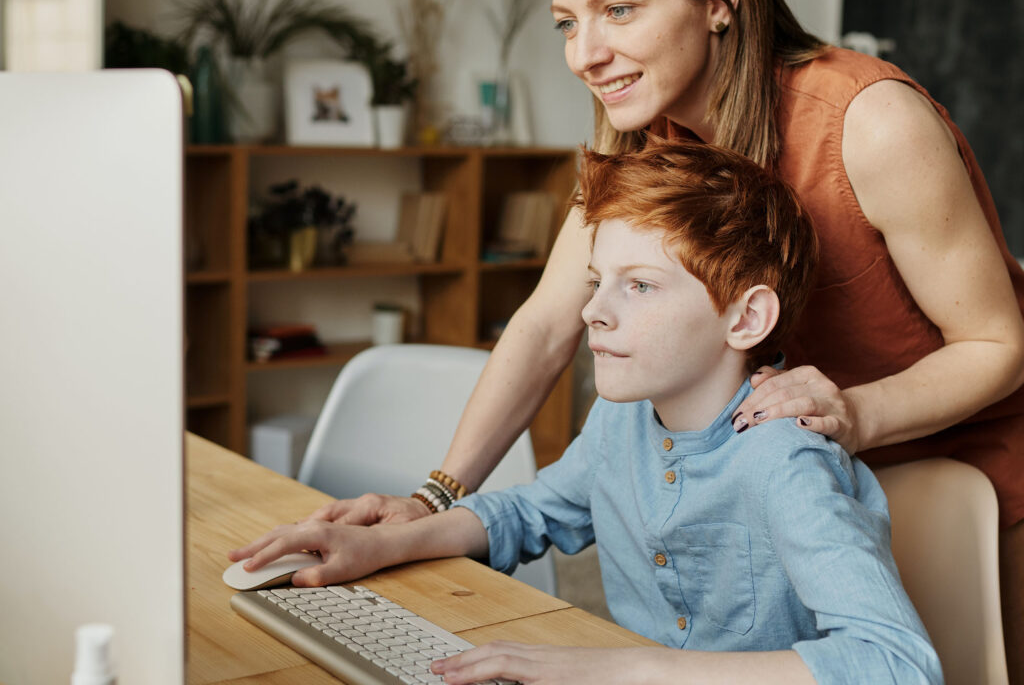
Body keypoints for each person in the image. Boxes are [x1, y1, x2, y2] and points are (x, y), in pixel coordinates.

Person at [306, 0, 1024, 678]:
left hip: (958, 463)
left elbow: (998, 345)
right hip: (787, 462)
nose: (584, 53)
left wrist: (855, 413)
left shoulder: (871, 124)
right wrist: (432, 499)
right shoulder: (646, 141)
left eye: (618, 10)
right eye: (567, 22)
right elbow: (548, 322)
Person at [231, 140, 942, 684]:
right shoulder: (621, 421)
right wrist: (385, 544)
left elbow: (896, 663)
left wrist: (626, 669)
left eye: (639, 286)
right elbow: (532, 511)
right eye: (599, 281)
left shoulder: (783, 459)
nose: (592, 312)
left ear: (747, 317)